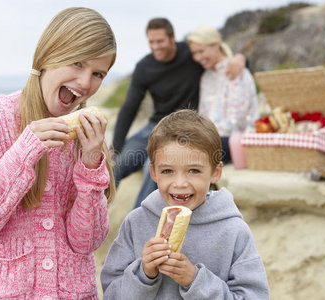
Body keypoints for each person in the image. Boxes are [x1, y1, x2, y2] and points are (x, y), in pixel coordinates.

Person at [0, 7, 116, 299]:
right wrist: (24, 151)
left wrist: (92, 165)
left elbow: (87, 242)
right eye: (77, 63)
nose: (85, 82)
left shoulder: (86, 137)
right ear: (47, 56)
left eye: (98, 74)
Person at [101, 109, 269, 299]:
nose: (180, 183)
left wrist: (195, 281)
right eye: (167, 171)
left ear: (215, 172)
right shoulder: (136, 222)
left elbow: (254, 295)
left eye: (194, 170)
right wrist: (143, 274)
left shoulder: (234, 231)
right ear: (153, 172)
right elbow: (111, 293)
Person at [112, 17, 247, 209]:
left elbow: (217, 57)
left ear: (172, 38)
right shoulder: (144, 67)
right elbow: (129, 107)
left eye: (160, 41)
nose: (155, 46)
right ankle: (94, 217)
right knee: (118, 163)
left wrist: (242, 58)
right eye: (151, 42)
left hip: (185, 127)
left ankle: (140, 222)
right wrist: (116, 145)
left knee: (152, 165)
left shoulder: (190, 54)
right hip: (154, 126)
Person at [186, 25, 258, 163]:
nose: (197, 57)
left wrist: (202, 138)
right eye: (194, 53)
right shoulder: (206, 77)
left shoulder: (236, 70)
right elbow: (203, 116)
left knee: (181, 155)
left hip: (236, 141)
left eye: (201, 51)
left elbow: (236, 121)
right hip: (212, 140)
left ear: (216, 45)